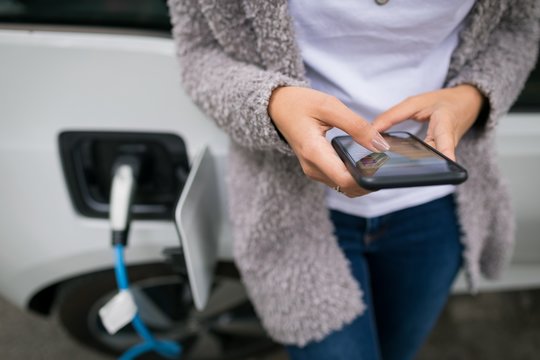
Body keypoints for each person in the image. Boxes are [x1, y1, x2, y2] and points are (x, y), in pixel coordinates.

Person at [167, 1, 540, 359]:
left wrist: (471, 97)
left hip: (434, 209)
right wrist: (273, 105)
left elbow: (519, 29)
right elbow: (199, 54)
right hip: (291, 213)